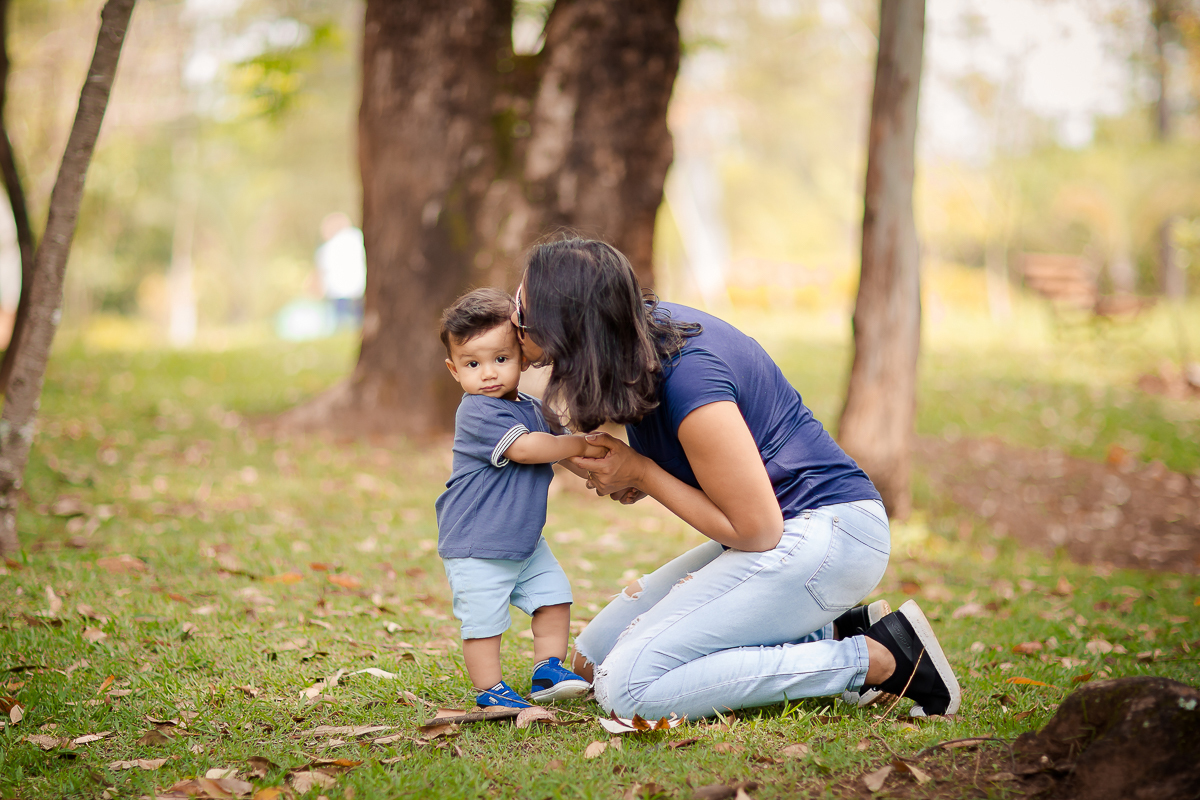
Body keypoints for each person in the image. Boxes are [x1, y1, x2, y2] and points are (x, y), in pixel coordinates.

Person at [510, 238, 961, 721]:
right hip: (785, 541)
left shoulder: (690, 377)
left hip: (827, 537)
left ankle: (876, 660)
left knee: (627, 689)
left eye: (521, 314)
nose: (511, 321)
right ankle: (835, 630)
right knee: (590, 662)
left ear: (567, 331)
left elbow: (757, 529)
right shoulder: (634, 339)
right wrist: (624, 472)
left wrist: (642, 471)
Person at [435, 288, 606, 709]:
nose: (488, 373)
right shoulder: (477, 412)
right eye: (473, 364)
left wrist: (598, 470)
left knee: (554, 598)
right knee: (484, 622)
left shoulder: (532, 408)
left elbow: (559, 446)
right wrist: (579, 445)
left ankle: (547, 669)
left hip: (525, 542)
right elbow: (529, 449)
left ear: (523, 359)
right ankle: (490, 690)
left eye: (501, 359)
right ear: (454, 370)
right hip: (477, 543)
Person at [313, 212, 366, 329]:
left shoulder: (328, 247)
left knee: (343, 324)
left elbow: (322, 271)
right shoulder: (358, 238)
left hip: (339, 292)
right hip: (359, 289)